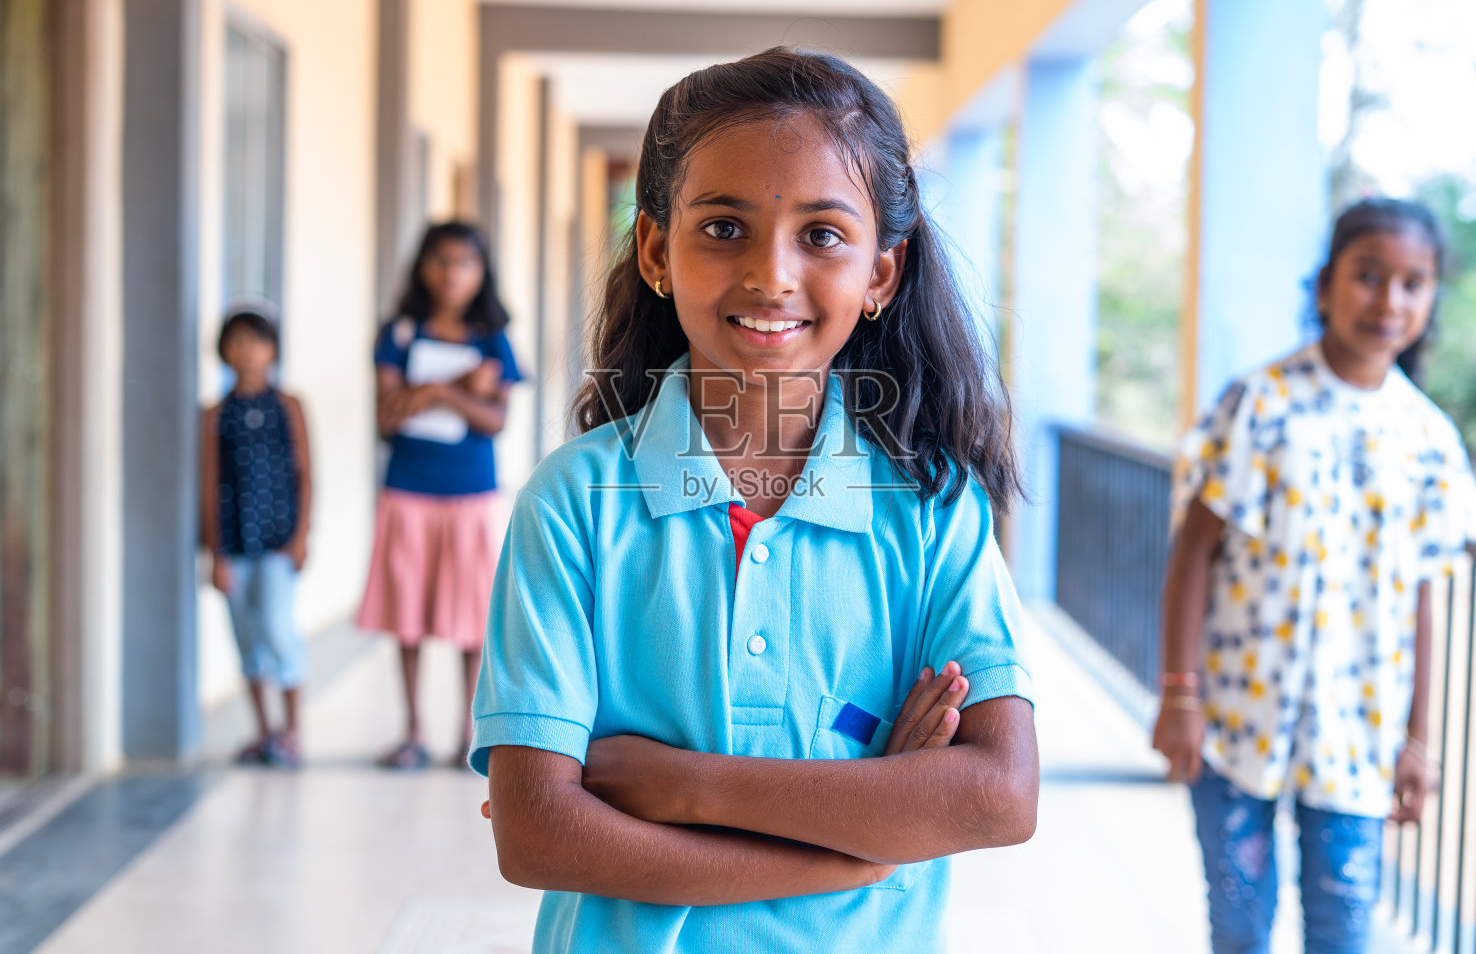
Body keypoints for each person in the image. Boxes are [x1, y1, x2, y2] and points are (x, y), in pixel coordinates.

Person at [471, 47, 1039, 953]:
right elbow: (537, 834)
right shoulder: (575, 503)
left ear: (881, 273)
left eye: (822, 234)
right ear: (657, 250)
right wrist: (859, 848)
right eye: (724, 227)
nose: (771, 275)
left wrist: (684, 785)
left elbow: (999, 794)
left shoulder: (932, 508)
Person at [1152, 198, 1476, 953]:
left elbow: (1425, 599)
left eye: (1413, 283)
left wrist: (1419, 741)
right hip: (1235, 723)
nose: (1389, 300)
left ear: (1430, 298)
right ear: (1327, 283)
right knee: (1239, 927)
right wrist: (1178, 696)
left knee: (1343, 931)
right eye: (1368, 276)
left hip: (1358, 734)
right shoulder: (1260, 403)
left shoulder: (1430, 439)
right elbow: (1193, 553)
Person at [358, 220, 519, 769]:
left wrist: (431, 394)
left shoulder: (492, 338)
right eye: (442, 261)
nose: (453, 274)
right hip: (407, 491)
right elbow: (387, 417)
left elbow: (495, 420)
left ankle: (466, 734)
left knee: (470, 619)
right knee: (408, 615)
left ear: (481, 272)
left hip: (470, 495)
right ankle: (412, 732)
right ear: (422, 267)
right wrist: (453, 389)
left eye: (466, 263)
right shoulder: (399, 334)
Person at [201, 306, 312, 768]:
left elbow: (305, 474)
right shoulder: (215, 414)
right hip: (234, 544)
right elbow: (208, 483)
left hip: (277, 542)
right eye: (238, 341)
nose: (247, 351)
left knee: (277, 628)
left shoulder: (288, 406)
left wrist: (302, 535)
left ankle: (293, 730)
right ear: (223, 350)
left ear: (272, 350)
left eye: (258, 341)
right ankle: (264, 731)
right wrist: (215, 554)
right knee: (246, 637)